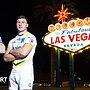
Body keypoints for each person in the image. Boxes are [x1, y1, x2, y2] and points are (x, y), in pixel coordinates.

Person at [3, 15, 37, 90]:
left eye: (23, 22)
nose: (20, 24)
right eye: (18, 22)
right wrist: (18, 52)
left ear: (27, 25)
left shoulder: (30, 37)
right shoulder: (12, 41)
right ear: (16, 24)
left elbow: (23, 53)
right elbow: (5, 58)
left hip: (25, 70)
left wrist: (11, 51)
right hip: (13, 70)